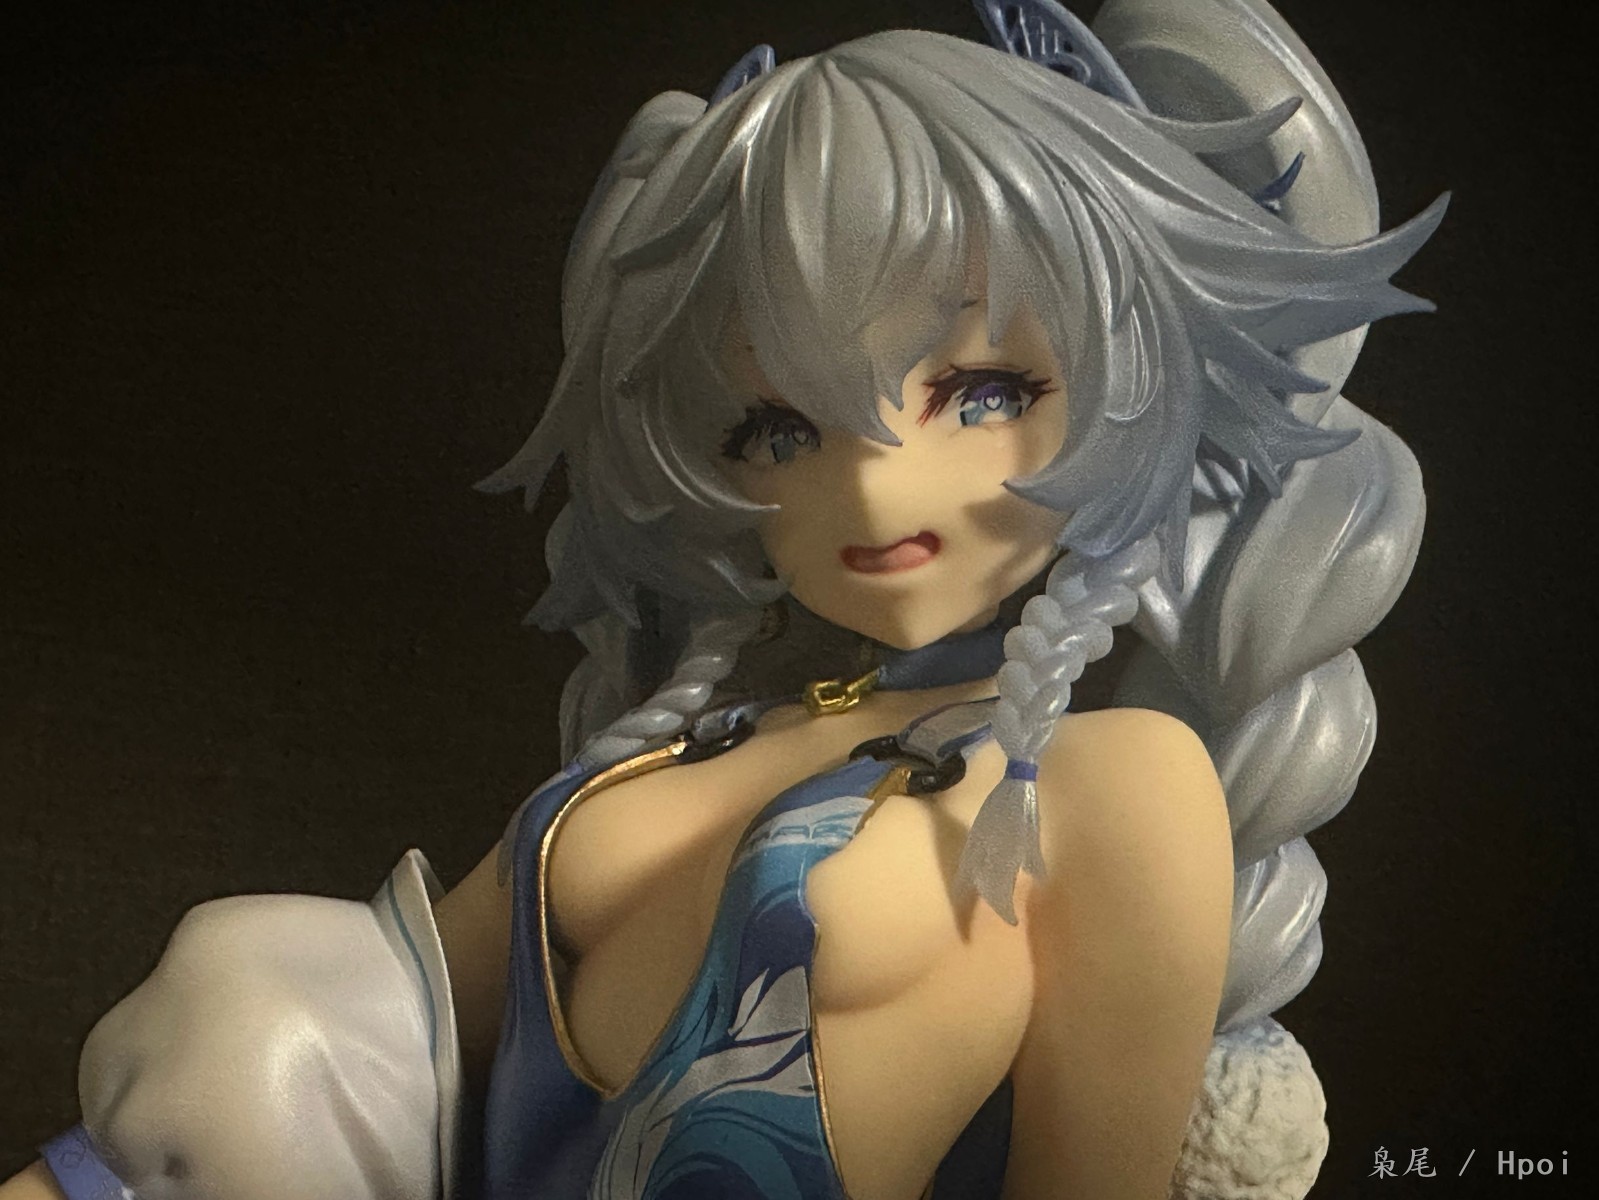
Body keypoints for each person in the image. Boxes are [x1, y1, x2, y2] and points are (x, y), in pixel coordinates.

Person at [2, 1, 1446, 1197]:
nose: (872, 488)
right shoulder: (707, 739)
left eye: (982, 390)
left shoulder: (1116, 790)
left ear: (1130, 384)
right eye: (780, 427)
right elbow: (330, 1049)